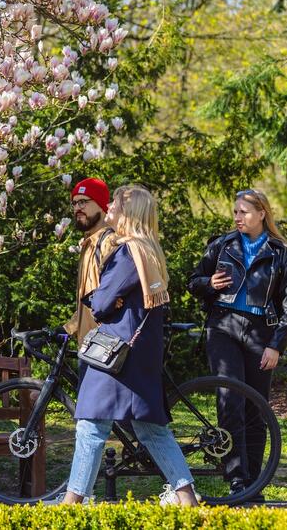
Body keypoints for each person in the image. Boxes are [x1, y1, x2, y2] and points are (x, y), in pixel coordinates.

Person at [62, 185, 198, 506]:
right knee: (151, 431)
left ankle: (72, 503)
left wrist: (105, 298)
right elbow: (114, 298)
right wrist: (113, 298)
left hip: (116, 357)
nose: (109, 208)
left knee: (91, 426)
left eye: (115, 205)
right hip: (139, 357)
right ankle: (187, 498)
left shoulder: (126, 253)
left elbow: (102, 302)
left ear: (128, 211)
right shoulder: (148, 250)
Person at [187, 188, 287, 500]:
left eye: (244, 212)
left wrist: (276, 345)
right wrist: (208, 284)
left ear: (262, 213)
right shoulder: (221, 245)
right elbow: (193, 282)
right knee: (230, 399)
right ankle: (236, 479)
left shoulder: (282, 253)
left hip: (261, 333)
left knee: (255, 406)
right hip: (223, 327)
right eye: (235, 212)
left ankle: (253, 482)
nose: (237, 217)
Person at [64, 178, 119, 361]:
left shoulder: (110, 243)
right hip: (90, 346)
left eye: (84, 202)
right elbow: (87, 304)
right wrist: (67, 329)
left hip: (105, 347)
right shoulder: (89, 245)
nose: (77, 208)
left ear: (103, 205)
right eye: (74, 203)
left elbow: (113, 298)